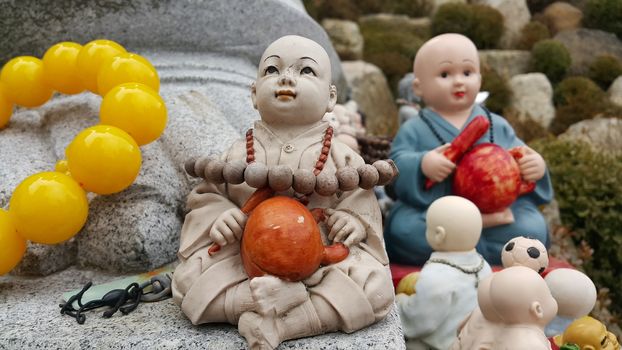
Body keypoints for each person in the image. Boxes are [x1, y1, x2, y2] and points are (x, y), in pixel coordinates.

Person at [171, 35, 394, 350]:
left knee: (376, 287)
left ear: (331, 99)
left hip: (320, 261)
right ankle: (278, 302)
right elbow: (208, 196)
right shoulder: (237, 154)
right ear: (253, 93)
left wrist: (355, 222)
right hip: (247, 257)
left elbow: (360, 200)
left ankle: (284, 319)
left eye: (305, 72)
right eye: (272, 70)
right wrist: (220, 218)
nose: (286, 77)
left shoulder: (341, 156)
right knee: (185, 283)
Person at [384, 33, 553, 265]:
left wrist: (535, 166)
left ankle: (458, 249)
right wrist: (422, 164)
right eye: (445, 74)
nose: (459, 81)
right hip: (439, 212)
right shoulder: (415, 128)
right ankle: (485, 249)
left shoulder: (497, 124)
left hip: (497, 209)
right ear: (418, 88)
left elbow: (522, 154)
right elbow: (395, 165)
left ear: (480, 79)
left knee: (531, 226)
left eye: (467, 72)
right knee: (405, 230)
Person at [396, 196, 492, 350]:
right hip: (475, 341)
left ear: (439, 235)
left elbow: (422, 320)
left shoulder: (436, 276)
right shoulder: (484, 266)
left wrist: (400, 303)